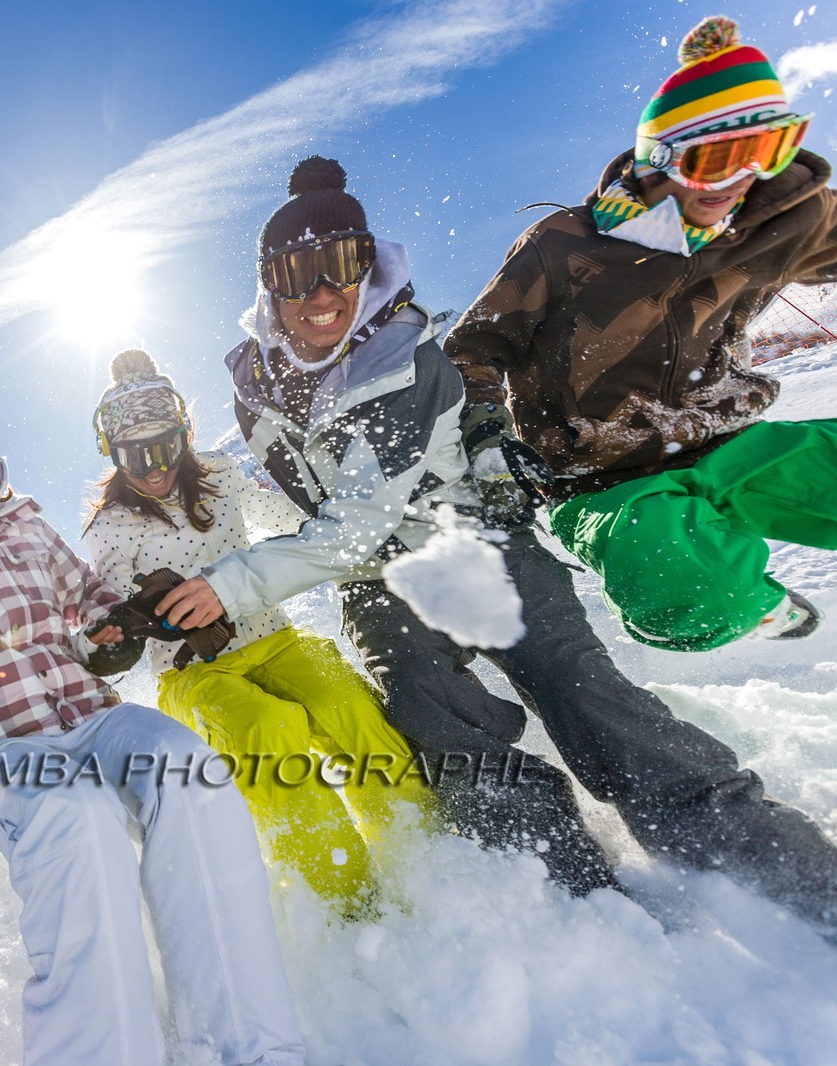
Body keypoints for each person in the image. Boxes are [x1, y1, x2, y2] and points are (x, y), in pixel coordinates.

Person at [153, 158, 837, 932]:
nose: (318, 295)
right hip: (380, 575)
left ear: (367, 268)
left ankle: (754, 848)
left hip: (476, 545)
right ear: (267, 285)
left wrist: (231, 586)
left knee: (581, 692)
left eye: (339, 266)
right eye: (294, 272)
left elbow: (355, 520)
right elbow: (324, 507)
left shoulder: (404, 362)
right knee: (431, 715)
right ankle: (558, 878)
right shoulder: (258, 382)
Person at [0, 386, 306, 1066]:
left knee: (189, 769)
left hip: (91, 716)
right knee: (76, 816)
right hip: (0, 749)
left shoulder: (26, 528)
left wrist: (115, 630)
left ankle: (248, 1046)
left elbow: (92, 600)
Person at [445, 15, 837, 651]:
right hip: (603, 478)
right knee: (687, 584)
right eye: (715, 161)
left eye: (766, 155)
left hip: (729, 446)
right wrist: (486, 431)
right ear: (663, 155)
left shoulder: (779, 221)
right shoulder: (565, 246)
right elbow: (473, 351)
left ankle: (716, 545)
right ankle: (742, 595)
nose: (739, 183)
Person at [82, 348, 429, 909]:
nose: (152, 467)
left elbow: (296, 521)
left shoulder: (221, 476)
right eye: (133, 455)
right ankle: (341, 898)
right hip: (194, 676)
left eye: (164, 446)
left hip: (274, 641)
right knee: (267, 730)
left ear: (185, 435)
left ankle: (424, 855)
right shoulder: (111, 528)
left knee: (347, 707)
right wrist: (122, 630)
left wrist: (352, 524)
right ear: (111, 453)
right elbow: (107, 610)